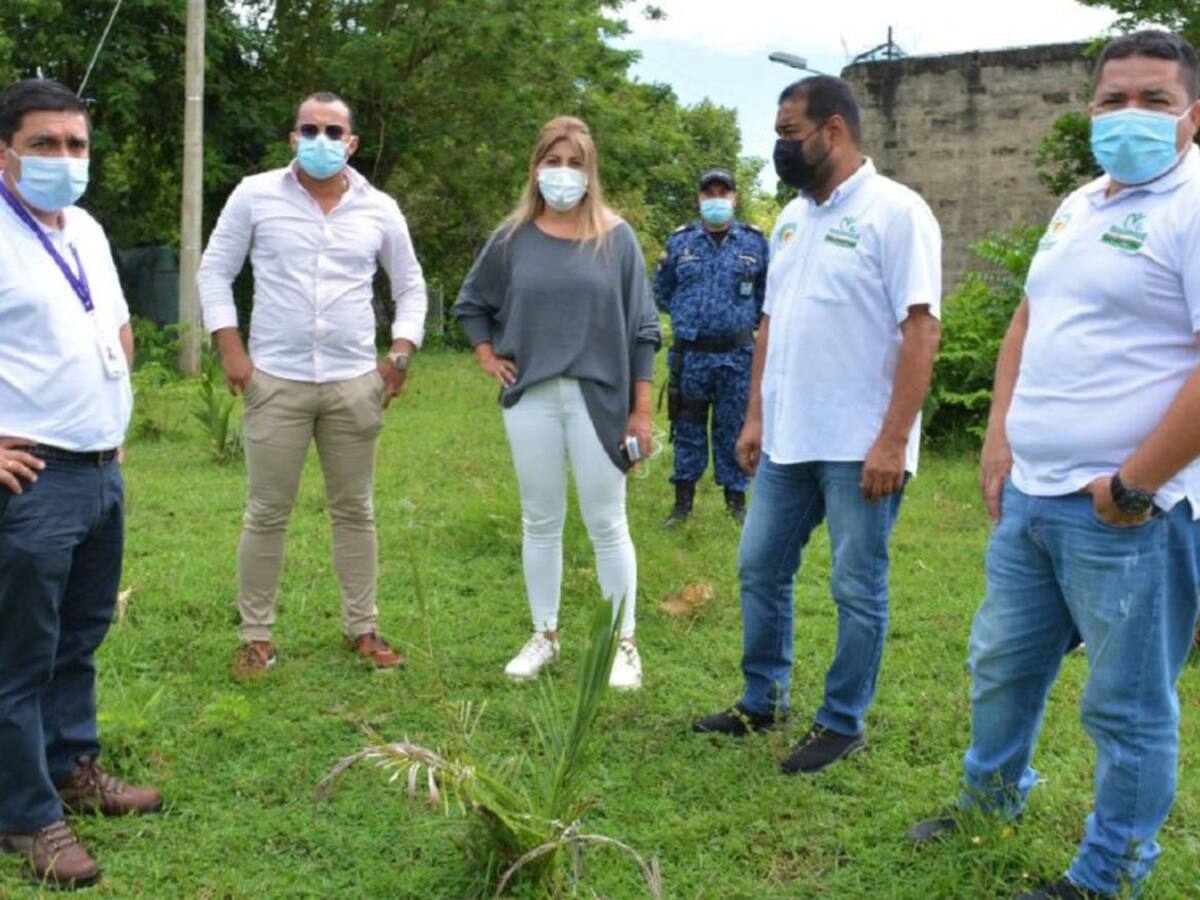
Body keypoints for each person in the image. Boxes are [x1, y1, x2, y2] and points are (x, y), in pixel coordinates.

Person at [908, 31, 1200, 900]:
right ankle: (990, 800)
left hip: (1128, 514)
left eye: (1154, 99)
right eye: (1113, 100)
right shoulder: (1078, 202)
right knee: (1001, 665)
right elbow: (1029, 323)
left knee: (1126, 706)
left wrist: (1134, 485)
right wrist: (999, 435)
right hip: (1032, 499)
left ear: (1194, 113)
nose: (1129, 116)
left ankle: (1107, 873)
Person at [692, 76, 942, 776]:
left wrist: (893, 439)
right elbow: (771, 323)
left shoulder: (898, 212)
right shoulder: (792, 218)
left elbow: (921, 330)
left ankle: (841, 721)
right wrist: (755, 414)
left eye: (789, 132)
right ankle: (761, 697)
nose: (780, 147)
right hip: (787, 438)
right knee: (759, 566)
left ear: (833, 130)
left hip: (861, 445)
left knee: (856, 585)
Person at [197, 91, 427, 677]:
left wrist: (399, 354)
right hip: (276, 380)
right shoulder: (255, 195)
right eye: (309, 129)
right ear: (292, 137)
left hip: (355, 382)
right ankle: (256, 637)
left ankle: (363, 628)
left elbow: (410, 286)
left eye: (333, 131)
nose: (320, 140)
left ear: (352, 143)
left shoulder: (379, 208)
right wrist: (232, 351)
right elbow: (215, 270)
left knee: (355, 510)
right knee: (266, 512)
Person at [0, 78, 162, 890]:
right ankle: (26, 817)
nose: (64, 159)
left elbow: (118, 327)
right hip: (32, 476)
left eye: (76, 145)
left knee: (80, 635)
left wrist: (110, 414)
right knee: (20, 653)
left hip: (100, 467)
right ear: (5, 152)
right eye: (44, 145)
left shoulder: (88, 228)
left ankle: (71, 769)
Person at [452, 116, 661, 691]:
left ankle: (623, 643)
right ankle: (544, 634)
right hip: (532, 398)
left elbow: (643, 328)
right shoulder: (513, 238)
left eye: (575, 163)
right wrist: (487, 355)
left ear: (591, 171)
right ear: (536, 167)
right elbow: (472, 304)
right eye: (554, 161)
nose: (563, 174)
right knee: (540, 520)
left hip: (602, 398)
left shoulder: (616, 239)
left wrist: (641, 412)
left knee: (607, 522)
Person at [654, 167, 768, 525]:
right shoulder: (679, 243)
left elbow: (766, 297)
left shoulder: (755, 243)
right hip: (691, 357)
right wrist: (693, 319)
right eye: (709, 193)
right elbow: (663, 292)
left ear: (734, 198)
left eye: (724, 192)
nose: (716, 199)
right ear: (699, 198)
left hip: (737, 356)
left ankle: (736, 504)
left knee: (733, 429)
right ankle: (682, 505)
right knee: (686, 429)